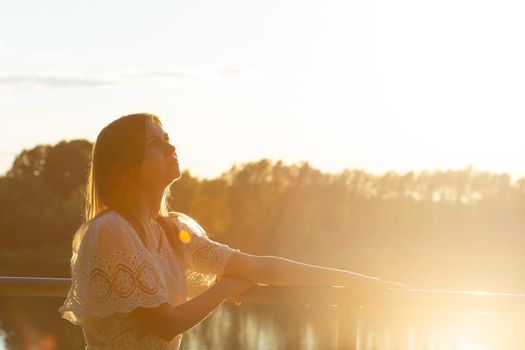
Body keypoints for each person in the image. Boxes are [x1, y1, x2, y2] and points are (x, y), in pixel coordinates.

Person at [59, 113, 404, 349]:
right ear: (127, 165)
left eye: (168, 139)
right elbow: (163, 324)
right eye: (155, 144)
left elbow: (259, 267)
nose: (171, 148)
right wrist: (224, 289)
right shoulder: (111, 230)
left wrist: (355, 279)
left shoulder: (170, 230)